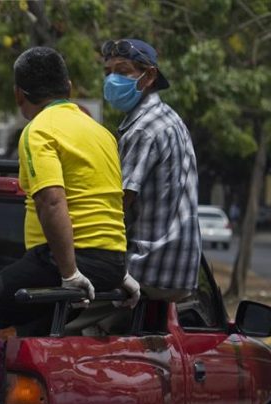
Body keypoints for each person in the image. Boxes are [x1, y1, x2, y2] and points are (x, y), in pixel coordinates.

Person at [0, 47, 139, 404]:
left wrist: (69, 272)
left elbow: (52, 201)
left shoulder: (40, 130)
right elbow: (106, 203)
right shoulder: (101, 133)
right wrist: (121, 270)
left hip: (69, 261)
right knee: (30, 335)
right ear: (68, 87)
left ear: (18, 95)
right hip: (109, 258)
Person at [102, 39, 201, 300]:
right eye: (108, 72)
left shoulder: (143, 128)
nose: (112, 80)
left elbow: (117, 206)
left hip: (147, 267)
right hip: (177, 271)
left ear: (149, 76)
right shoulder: (167, 117)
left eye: (122, 72)